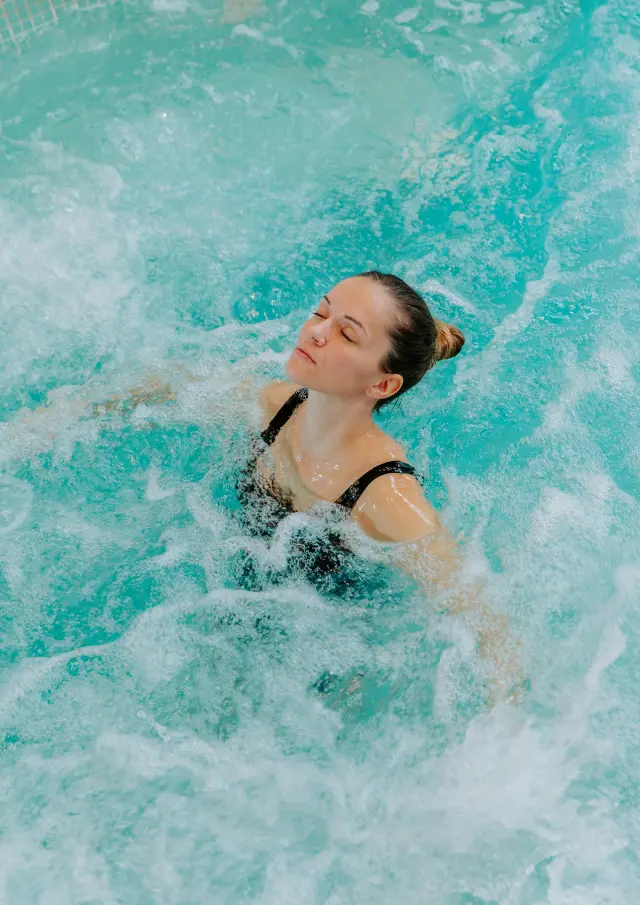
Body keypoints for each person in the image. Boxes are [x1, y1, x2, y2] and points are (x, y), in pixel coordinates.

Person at [10, 270, 524, 702]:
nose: (316, 331)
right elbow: (166, 385)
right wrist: (50, 422)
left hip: (329, 655)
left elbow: (479, 616)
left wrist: (507, 730)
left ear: (382, 384)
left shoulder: (383, 496)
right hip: (237, 604)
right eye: (321, 312)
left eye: (347, 334)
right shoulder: (276, 408)